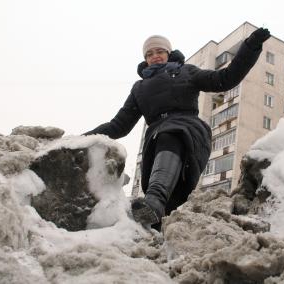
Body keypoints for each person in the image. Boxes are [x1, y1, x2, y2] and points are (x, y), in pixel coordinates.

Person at [84, 28, 270, 230]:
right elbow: (118, 125)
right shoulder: (139, 88)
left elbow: (225, 79)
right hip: (156, 144)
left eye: (159, 51)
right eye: (149, 54)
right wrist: (80, 139)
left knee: (170, 135)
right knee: (163, 211)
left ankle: (155, 199)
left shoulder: (186, 72)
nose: (154, 56)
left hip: (188, 132)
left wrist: (250, 46)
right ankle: (156, 232)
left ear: (168, 53)